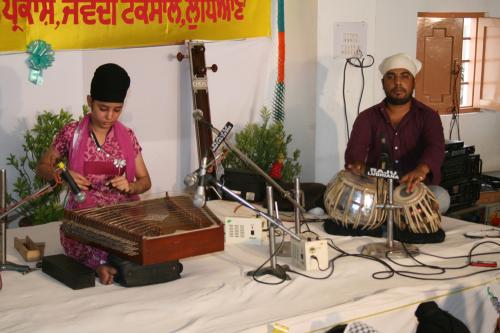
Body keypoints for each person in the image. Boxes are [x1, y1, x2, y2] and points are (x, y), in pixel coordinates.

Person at [37, 63, 151, 285]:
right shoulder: (71, 133)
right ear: (90, 101)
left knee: (140, 233)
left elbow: (145, 181)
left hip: (119, 212)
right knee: (76, 235)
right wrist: (63, 174)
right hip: (85, 211)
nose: (109, 116)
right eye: (103, 108)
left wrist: (131, 187)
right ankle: (100, 263)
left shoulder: (127, 136)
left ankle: (114, 261)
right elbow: (42, 166)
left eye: (117, 109)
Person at [345, 52, 445, 193]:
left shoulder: (428, 116)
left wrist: (421, 170)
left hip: (417, 189)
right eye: (391, 77)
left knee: (441, 196)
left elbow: (435, 148)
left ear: (413, 82)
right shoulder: (367, 118)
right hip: (377, 189)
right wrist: (357, 166)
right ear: (383, 83)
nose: (398, 82)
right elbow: (355, 152)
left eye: (405, 76)